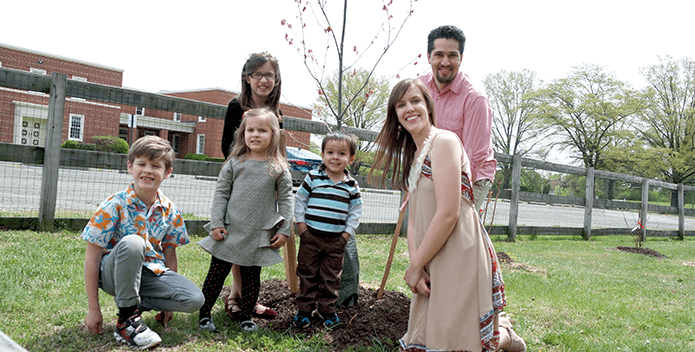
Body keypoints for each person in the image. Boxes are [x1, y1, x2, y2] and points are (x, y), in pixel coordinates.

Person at [369, 79, 526, 352]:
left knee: (460, 335)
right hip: (432, 250)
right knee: (437, 331)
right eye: (401, 104)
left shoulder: (444, 141)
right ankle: (504, 336)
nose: (409, 109)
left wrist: (415, 266)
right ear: (395, 115)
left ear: (428, 106)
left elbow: (449, 213)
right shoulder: (415, 155)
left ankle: (505, 337)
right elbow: (415, 218)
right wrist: (417, 264)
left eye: (415, 101)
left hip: (458, 250)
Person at [82, 135, 204, 350]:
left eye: (155, 166)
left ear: (167, 173)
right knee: (134, 243)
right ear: (130, 167)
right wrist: (94, 308)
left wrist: (169, 302)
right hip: (112, 275)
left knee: (194, 299)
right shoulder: (115, 205)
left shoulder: (169, 210)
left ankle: (135, 306)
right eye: (142, 164)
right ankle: (126, 320)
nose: (148, 170)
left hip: (148, 273)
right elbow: (92, 256)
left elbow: (170, 254)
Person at [198, 108, 294, 332]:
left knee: (251, 278)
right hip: (229, 231)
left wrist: (285, 229)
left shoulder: (278, 168)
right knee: (216, 274)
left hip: (257, 233)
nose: (255, 134)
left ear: (274, 134)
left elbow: (287, 200)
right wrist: (216, 223)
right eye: (250, 130)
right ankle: (204, 314)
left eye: (262, 130)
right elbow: (221, 193)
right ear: (243, 133)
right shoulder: (235, 163)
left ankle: (247, 317)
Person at [220, 52, 284, 320]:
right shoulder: (236, 106)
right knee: (240, 241)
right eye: (258, 74)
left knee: (256, 242)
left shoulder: (277, 113)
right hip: (242, 185)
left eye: (269, 75)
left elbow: (280, 151)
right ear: (247, 78)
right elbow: (227, 147)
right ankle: (239, 299)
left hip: (266, 187)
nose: (263, 80)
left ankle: (242, 298)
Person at [418, 25, 497, 212]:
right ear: (429, 57)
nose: (445, 62)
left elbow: (473, 156)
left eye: (452, 55)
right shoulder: (419, 87)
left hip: (472, 174)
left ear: (461, 58)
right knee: (428, 227)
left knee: (455, 232)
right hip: (434, 167)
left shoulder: (475, 99)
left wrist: (453, 198)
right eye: (439, 55)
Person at [292, 132, 362, 329]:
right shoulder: (314, 177)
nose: (335, 157)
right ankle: (304, 309)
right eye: (330, 152)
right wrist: (301, 226)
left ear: (351, 159)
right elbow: (300, 201)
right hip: (311, 236)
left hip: (335, 241)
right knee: (307, 273)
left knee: (331, 277)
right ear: (322, 155)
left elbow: (355, 212)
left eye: (342, 153)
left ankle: (327, 310)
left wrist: (346, 235)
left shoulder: (351, 185)